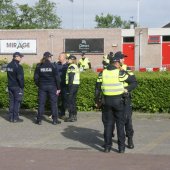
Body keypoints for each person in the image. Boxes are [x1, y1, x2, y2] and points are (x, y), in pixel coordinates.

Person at [95, 53, 137, 153]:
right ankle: (121, 148)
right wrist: (126, 89)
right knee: (120, 125)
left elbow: (97, 88)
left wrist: (97, 101)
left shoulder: (102, 73)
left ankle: (107, 147)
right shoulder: (120, 73)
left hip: (106, 102)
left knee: (108, 125)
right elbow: (133, 81)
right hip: (119, 101)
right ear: (117, 63)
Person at [112, 51, 137, 149]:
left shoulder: (127, 69)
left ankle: (130, 138)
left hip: (125, 98)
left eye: (123, 58)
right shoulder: (110, 69)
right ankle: (109, 140)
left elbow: (134, 82)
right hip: (113, 98)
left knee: (127, 120)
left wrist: (127, 89)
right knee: (112, 120)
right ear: (117, 60)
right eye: (122, 58)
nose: (124, 60)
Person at [34, 51, 61, 125]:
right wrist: (58, 88)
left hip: (42, 87)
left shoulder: (39, 65)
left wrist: (39, 85)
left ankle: (39, 120)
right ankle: (55, 120)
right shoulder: (53, 65)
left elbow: (36, 78)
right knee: (53, 103)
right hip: (52, 87)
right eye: (50, 56)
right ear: (49, 57)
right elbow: (57, 78)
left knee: (41, 103)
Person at [6, 52, 24, 123]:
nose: (21, 58)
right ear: (16, 57)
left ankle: (11, 117)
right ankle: (15, 118)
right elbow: (20, 78)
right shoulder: (18, 66)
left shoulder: (8, 65)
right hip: (17, 87)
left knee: (11, 102)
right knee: (17, 102)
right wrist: (22, 87)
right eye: (20, 57)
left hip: (10, 86)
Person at [65, 55, 80, 122]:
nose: (67, 60)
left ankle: (71, 116)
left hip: (72, 85)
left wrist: (69, 87)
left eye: (68, 59)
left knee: (70, 101)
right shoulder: (75, 66)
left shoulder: (71, 66)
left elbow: (71, 77)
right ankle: (74, 116)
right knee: (73, 101)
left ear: (72, 59)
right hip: (75, 85)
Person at [55, 52, 69, 119]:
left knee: (64, 100)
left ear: (64, 57)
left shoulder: (68, 66)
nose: (58, 57)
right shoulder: (56, 65)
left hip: (65, 86)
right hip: (57, 86)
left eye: (60, 56)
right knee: (56, 100)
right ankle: (55, 113)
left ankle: (62, 114)